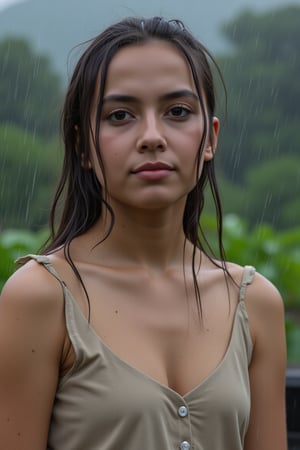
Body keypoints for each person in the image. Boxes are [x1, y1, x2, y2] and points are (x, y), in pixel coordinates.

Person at [0, 16, 287, 450]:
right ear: (82, 146)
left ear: (209, 138)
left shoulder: (254, 302)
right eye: (120, 115)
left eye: (177, 112)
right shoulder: (41, 297)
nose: (152, 137)